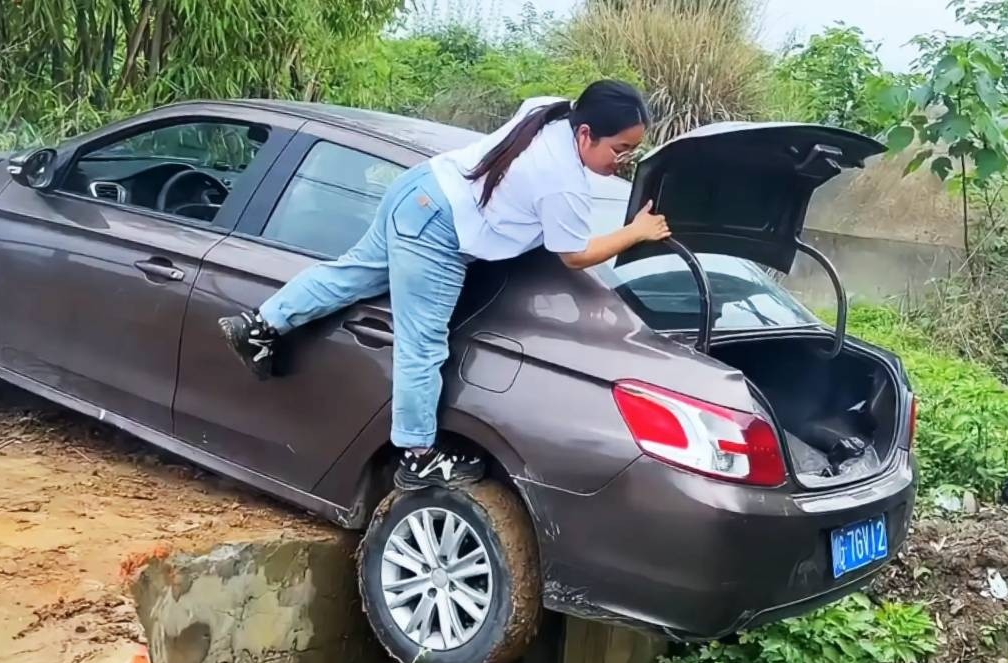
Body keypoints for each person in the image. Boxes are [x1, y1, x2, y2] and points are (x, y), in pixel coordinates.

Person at [219, 79, 671, 489]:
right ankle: (417, 458)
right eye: (620, 148)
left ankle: (260, 324)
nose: (623, 160)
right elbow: (574, 255)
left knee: (351, 274)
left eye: (632, 150)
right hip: (438, 230)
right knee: (424, 343)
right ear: (586, 134)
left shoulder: (551, 110)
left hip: (421, 188)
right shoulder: (563, 182)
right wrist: (634, 232)